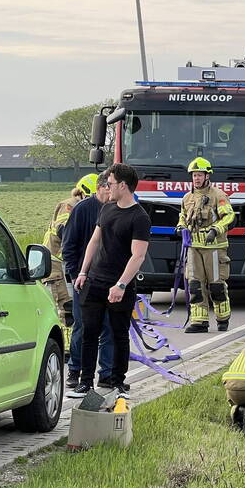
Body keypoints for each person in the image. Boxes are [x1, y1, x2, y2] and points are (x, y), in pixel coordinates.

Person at [71, 163, 151, 398]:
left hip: (119, 286)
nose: (108, 187)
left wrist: (121, 285)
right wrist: (83, 272)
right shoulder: (106, 209)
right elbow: (94, 242)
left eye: (112, 183)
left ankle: (117, 382)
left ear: (123, 186)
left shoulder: (139, 217)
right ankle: (86, 382)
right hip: (94, 281)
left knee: (118, 334)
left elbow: (138, 255)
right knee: (89, 332)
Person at [62, 172, 115, 390]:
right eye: (110, 187)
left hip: (109, 280)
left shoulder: (116, 209)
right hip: (84, 280)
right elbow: (69, 246)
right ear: (100, 188)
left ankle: (107, 374)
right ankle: (75, 371)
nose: (113, 192)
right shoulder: (82, 210)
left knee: (109, 327)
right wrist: (75, 275)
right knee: (82, 327)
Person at [176, 157, 235, 333]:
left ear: (207, 176)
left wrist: (215, 230)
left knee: (216, 285)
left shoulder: (219, 196)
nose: (196, 178)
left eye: (200, 175)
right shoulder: (187, 197)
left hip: (214, 247)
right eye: (194, 175)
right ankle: (199, 322)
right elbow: (183, 217)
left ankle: (222, 319)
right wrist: (180, 228)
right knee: (195, 284)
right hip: (193, 247)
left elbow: (229, 216)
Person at [43, 174, 97, 330]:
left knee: (71, 310)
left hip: (66, 266)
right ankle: (65, 350)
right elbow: (66, 234)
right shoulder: (69, 206)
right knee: (64, 310)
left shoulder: (82, 207)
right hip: (56, 267)